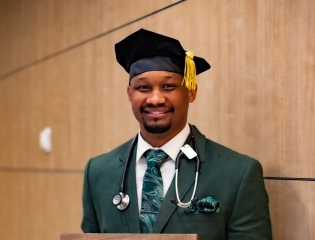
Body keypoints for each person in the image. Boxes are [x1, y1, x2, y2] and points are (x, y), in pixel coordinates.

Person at [81, 28, 272, 240]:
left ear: (191, 92)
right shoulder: (97, 173)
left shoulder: (237, 174)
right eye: (143, 87)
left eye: (168, 86)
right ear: (130, 94)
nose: (155, 99)